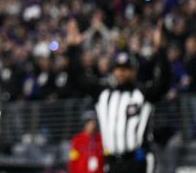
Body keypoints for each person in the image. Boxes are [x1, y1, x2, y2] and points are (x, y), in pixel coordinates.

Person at [66, 19, 170, 173]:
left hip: (138, 161)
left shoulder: (141, 94)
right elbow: (78, 78)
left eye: (126, 68)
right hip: (113, 162)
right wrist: (73, 49)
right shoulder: (103, 94)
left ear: (133, 71)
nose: (121, 72)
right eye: (118, 68)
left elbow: (162, 83)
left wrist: (161, 50)